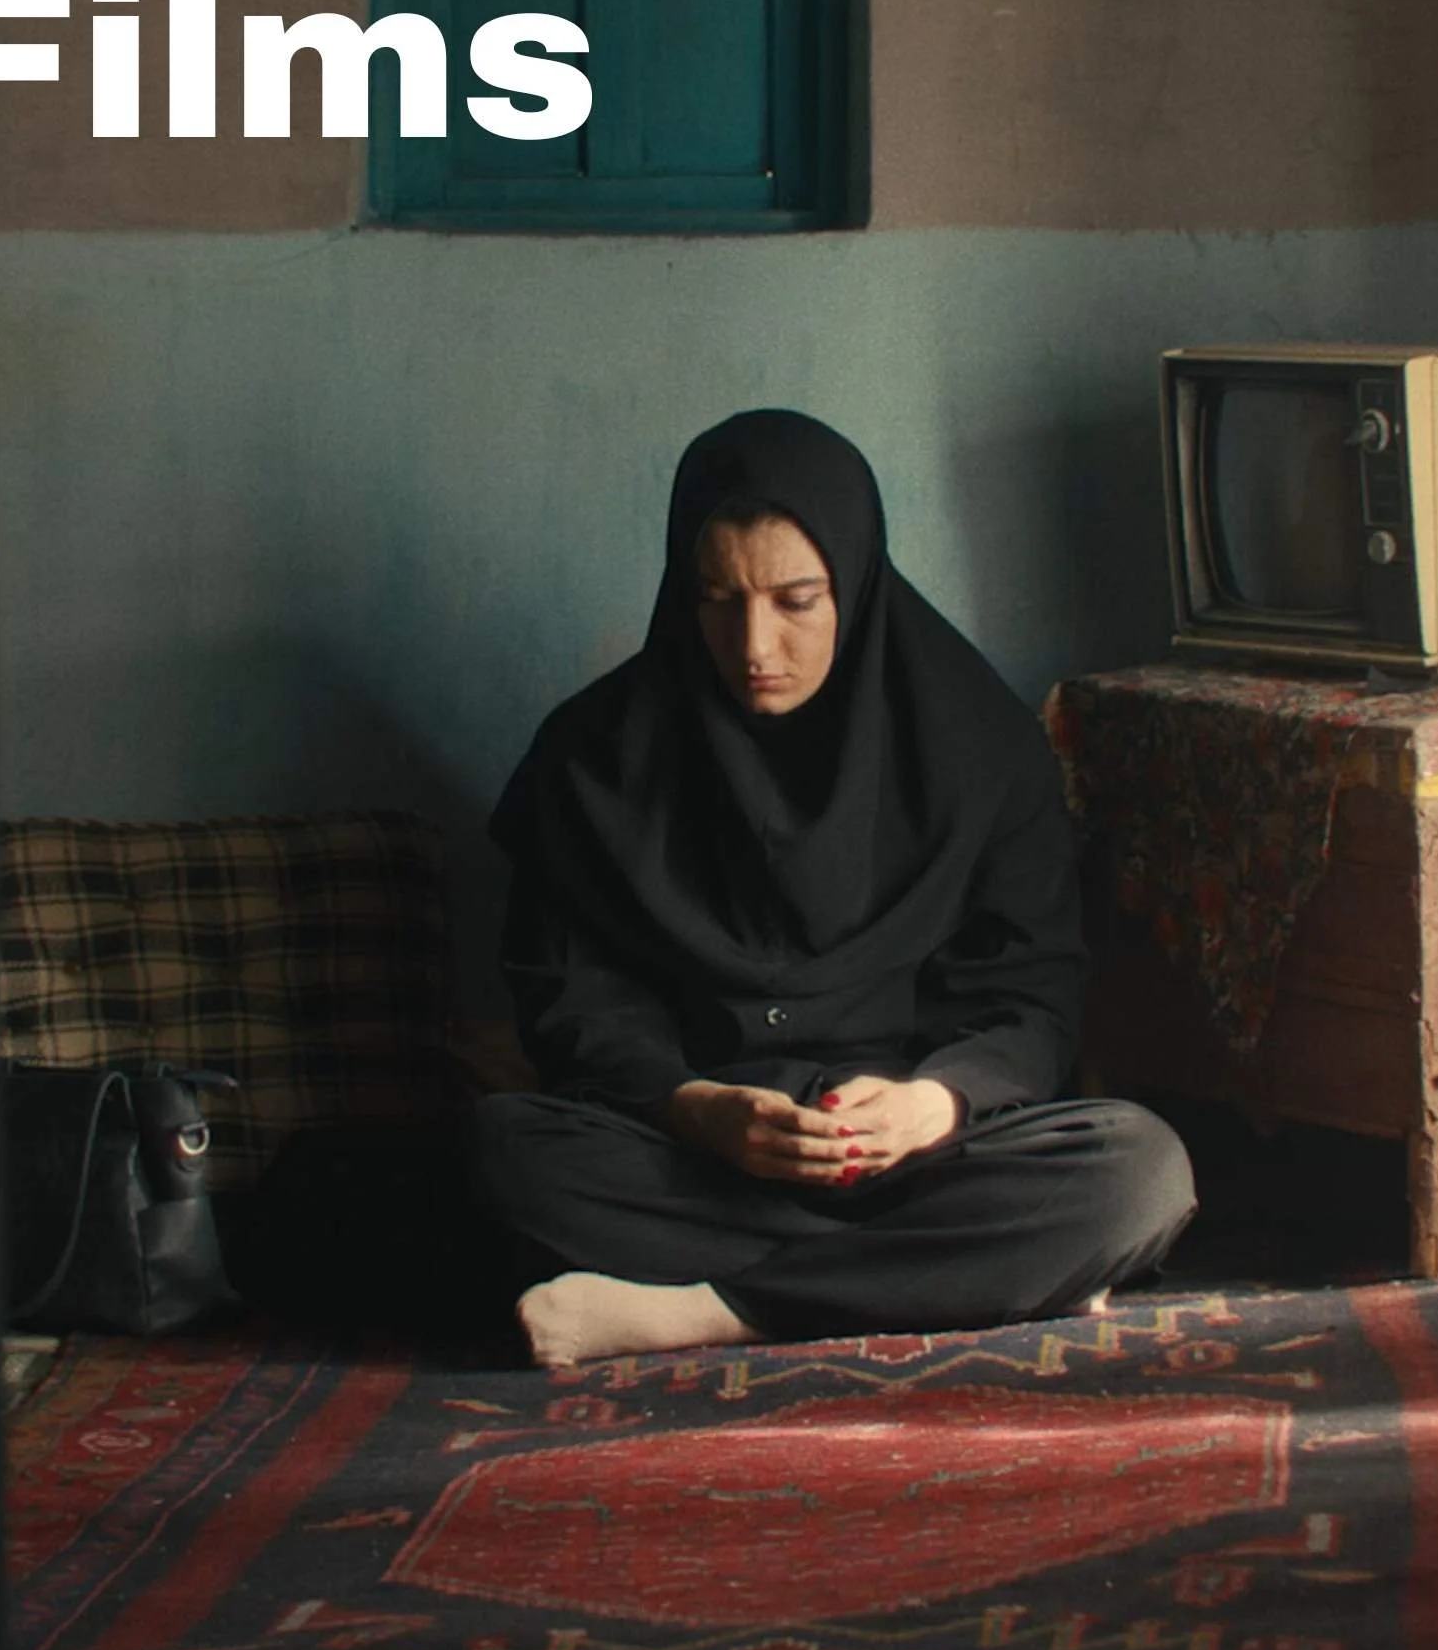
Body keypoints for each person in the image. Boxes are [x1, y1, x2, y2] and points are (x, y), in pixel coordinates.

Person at [475, 409, 1194, 1368]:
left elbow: (1033, 999)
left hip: (920, 1155)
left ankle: (712, 1312)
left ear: (854, 581)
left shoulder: (978, 746)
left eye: (796, 600)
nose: (754, 643)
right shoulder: (592, 760)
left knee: (1140, 1172)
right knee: (500, 1150)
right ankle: (977, 1277)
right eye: (718, 599)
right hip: (697, 1155)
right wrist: (698, 1107)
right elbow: (570, 1006)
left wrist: (934, 1103)